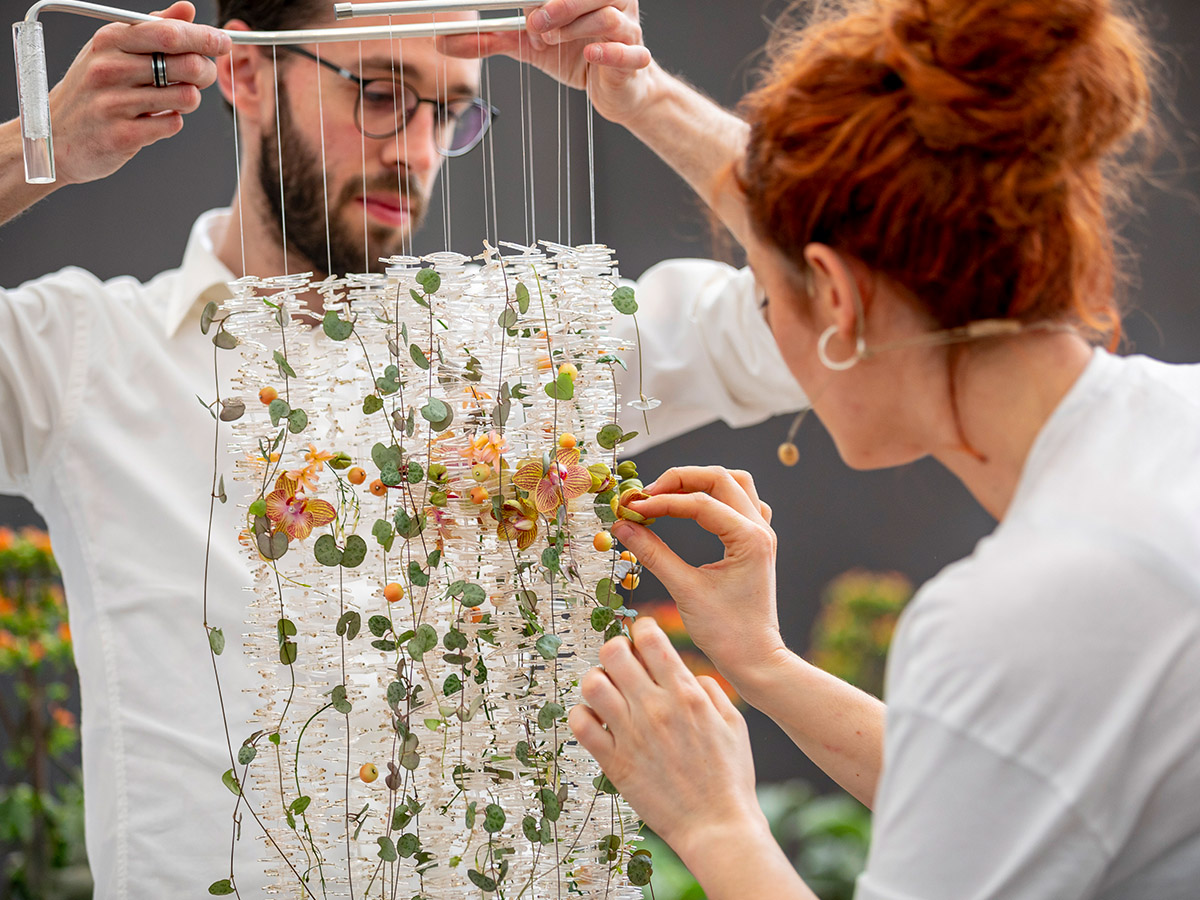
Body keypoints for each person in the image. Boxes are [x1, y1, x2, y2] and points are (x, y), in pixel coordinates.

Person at [0, 0, 807, 895]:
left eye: (449, 112)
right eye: (382, 94)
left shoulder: (536, 347)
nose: (416, 153)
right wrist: (31, 153)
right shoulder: (78, 353)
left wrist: (646, 96)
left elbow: (840, 303)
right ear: (243, 73)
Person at [568, 0, 1200, 898]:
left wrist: (714, 821)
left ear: (835, 295)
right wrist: (764, 665)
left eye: (764, 301)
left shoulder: (1021, 613)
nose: (768, 334)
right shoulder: (1177, 425)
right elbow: (1001, 785)